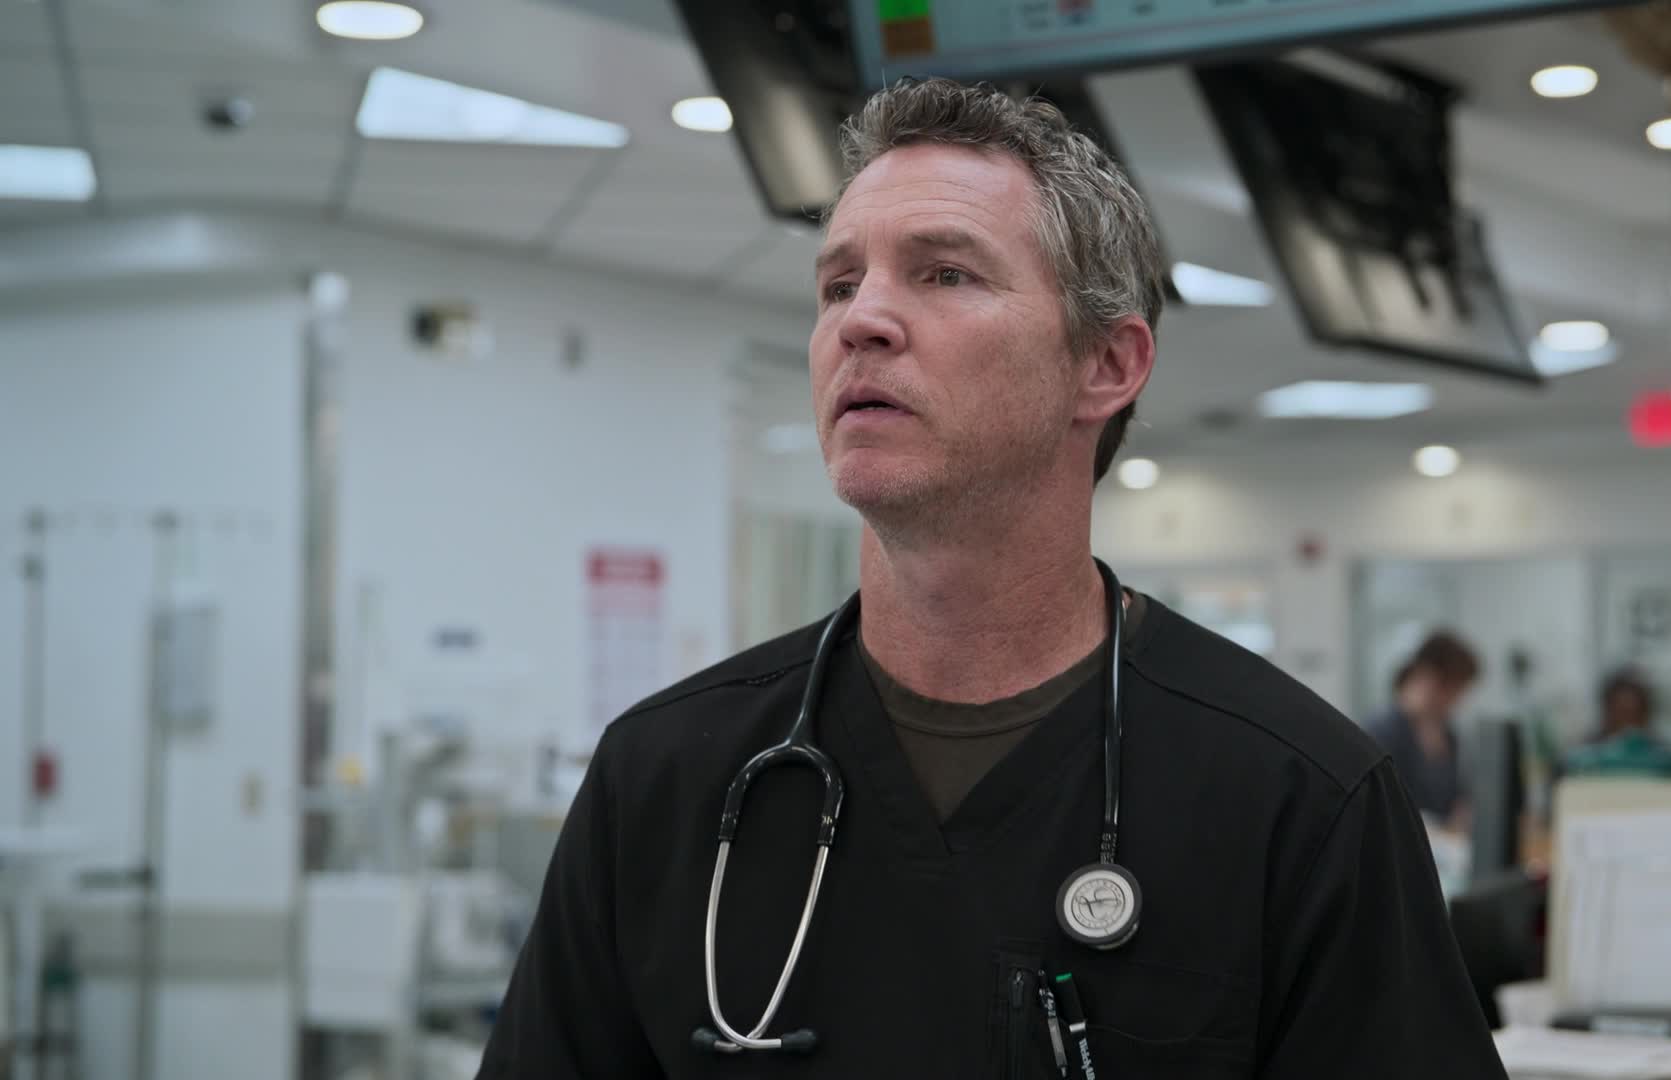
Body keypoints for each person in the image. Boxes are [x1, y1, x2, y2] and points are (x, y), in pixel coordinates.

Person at [478, 78, 1501, 1078]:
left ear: (1106, 365)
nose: (862, 320)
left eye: (944, 274)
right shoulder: (663, 776)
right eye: (839, 284)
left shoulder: (1299, 797)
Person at [1365, 631, 1482, 833]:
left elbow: (1456, 797)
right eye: (1456, 690)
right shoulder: (1383, 730)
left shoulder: (1448, 734)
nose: (1458, 701)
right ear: (1433, 680)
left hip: (1444, 844)